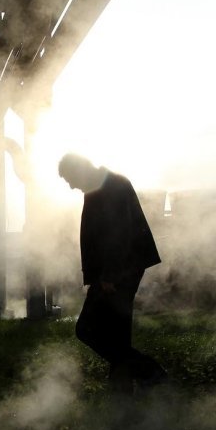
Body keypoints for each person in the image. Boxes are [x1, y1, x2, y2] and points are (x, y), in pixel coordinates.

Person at [58, 153, 167, 394]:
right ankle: (123, 388)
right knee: (118, 331)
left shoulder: (111, 185)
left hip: (119, 272)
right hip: (118, 271)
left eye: (69, 179)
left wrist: (108, 275)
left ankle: (149, 372)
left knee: (86, 329)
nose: (71, 185)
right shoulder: (102, 185)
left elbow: (119, 234)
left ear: (79, 170)